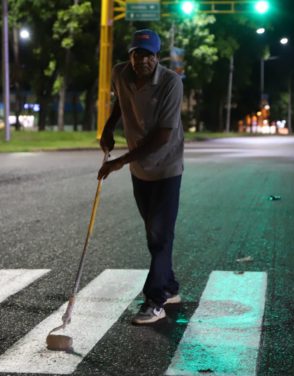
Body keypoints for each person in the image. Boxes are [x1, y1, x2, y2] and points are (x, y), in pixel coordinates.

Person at [97, 29, 185, 325]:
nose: (142, 60)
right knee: (153, 233)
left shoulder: (171, 83)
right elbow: (120, 102)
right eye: (137, 54)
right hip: (140, 169)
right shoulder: (120, 73)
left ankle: (155, 298)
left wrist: (119, 161)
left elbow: (162, 136)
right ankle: (170, 286)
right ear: (130, 55)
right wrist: (109, 128)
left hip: (166, 167)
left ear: (157, 58)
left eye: (149, 55)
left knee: (161, 234)